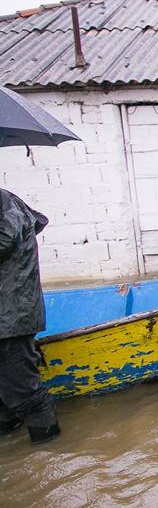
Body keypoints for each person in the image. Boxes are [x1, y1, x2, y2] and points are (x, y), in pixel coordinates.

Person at [0, 188, 60, 444]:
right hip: (9, 315)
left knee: (26, 394)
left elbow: (5, 240)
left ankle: (49, 453)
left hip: (9, 317)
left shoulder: (4, 203)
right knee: (5, 391)